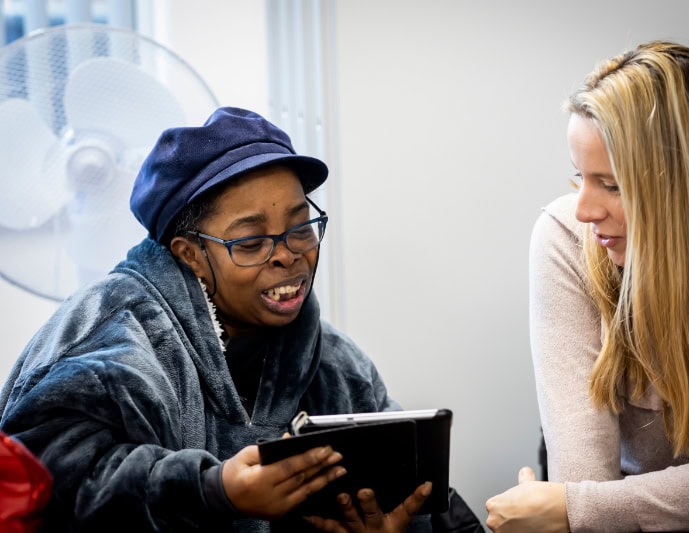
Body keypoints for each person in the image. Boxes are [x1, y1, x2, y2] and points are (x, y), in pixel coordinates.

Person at [0, 107, 479, 533]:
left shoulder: (337, 365)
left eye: (300, 227)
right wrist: (212, 490)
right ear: (189, 255)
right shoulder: (113, 335)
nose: (288, 256)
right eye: (250, 243)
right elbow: (44, 480)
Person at [485, 41, 689, 532]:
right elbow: (585, 476)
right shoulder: (566, 239)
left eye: (612, 185)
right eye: (580, 178)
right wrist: (582, 507)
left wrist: (574, 509)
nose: (586, 210)